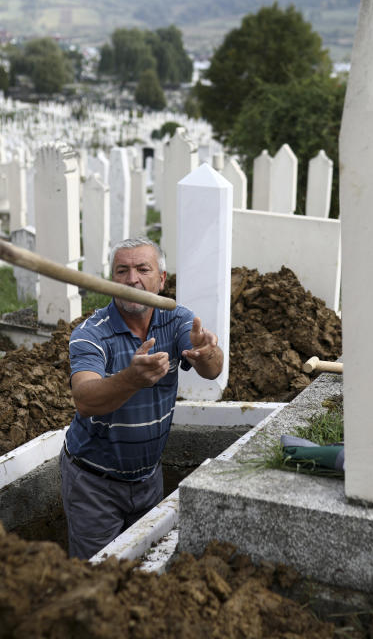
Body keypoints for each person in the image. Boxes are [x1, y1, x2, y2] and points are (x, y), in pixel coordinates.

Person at [60, 237, 223, 559]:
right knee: (98, 572)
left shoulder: (177, 320)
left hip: (148, 477)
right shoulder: (91, 333)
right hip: (94, 482)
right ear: (112, 282)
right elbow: (85, 399)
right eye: (122, 271)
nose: (132, 279)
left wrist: (207, 352)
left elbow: (212, 371)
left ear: (161, 279)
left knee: (145, 562)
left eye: (142, 269)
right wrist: (130, 379)